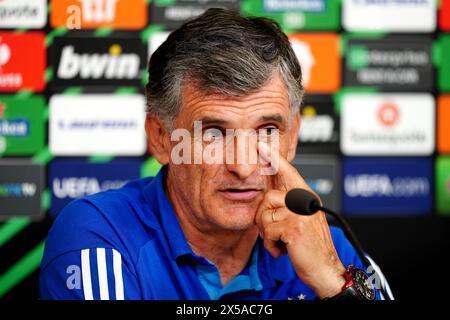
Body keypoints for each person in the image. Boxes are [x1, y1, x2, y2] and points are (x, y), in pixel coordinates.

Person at [40, 8, 391, 300]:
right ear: (161, 138)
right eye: (213, 133)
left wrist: (334, 281)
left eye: (266, 131)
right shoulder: (102, 234)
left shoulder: (327, 247)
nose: (242, 165)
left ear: (292, 136)